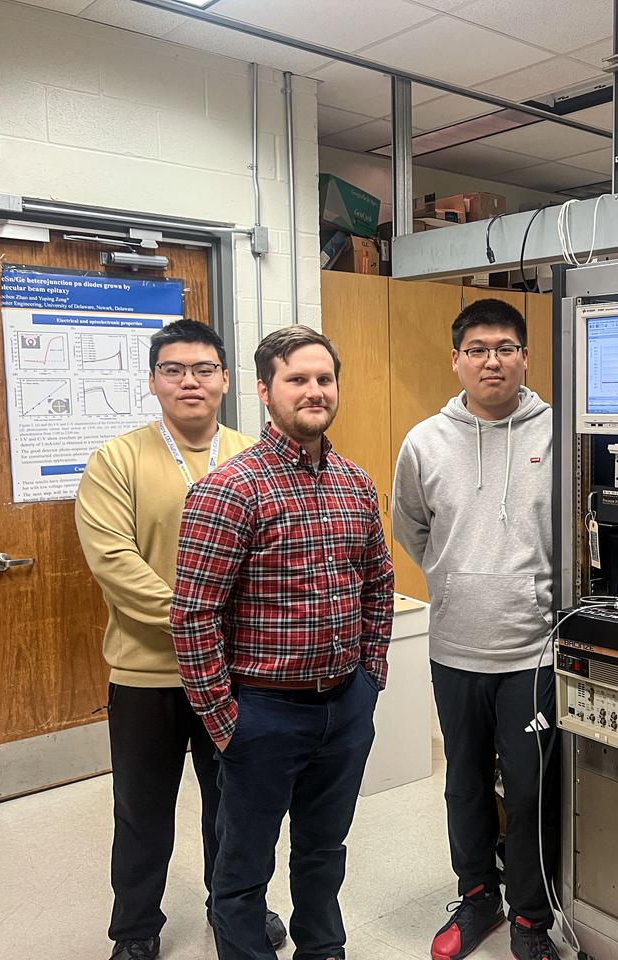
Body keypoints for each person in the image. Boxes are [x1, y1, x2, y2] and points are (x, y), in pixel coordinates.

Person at [171, 325, 393, 960]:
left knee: (324, 853)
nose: (314, 391)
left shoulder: (354, 482)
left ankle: (323, 950)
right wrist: (224, 721)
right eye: (298, 379)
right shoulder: (230, 488)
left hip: (345, 706)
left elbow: (378, 581)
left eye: (324, 379)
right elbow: (193, 615)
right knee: (242, 873)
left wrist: (370, 675)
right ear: (266, 391)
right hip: (262, 714)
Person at [75, 319, 286, 960]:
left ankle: (233, 910)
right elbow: (114, 562)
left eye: (203, 369)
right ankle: (135, 931)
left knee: (235, 808)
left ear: (226, 380)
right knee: (142, 813)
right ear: (153, 382)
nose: (189, 381)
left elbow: (273, 567)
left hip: (234, 674)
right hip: (148, 676)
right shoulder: (119, 460)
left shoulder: (256, 456)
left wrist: (227, 634)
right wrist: (199, 620)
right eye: (174, 369)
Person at [392, 299, 559, 960]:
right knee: (463, 779)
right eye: (479, 348)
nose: (493, 360)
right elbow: (413, 528)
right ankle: (476, 894)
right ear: (456, 359)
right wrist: (458, 573)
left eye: (506, 347)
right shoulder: (424, 442)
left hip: (534, 651)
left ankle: (530, 916)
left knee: (527, 787)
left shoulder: (557, 432)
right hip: (455, 647)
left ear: (524, 356)